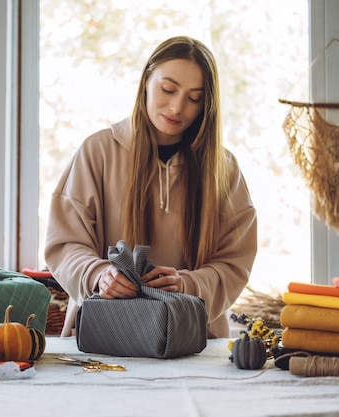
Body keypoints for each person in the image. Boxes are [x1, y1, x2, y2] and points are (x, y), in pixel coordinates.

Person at [44, 35, 257, 338]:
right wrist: (99, 274)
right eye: (167, 89)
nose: (176, 107)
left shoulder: (224, 169)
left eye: (194, 98)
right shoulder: (97, 151)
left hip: (193, 339)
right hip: (102, 336)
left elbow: (235, 262)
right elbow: (64, 243)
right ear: (146, 80)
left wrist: (187, 286)